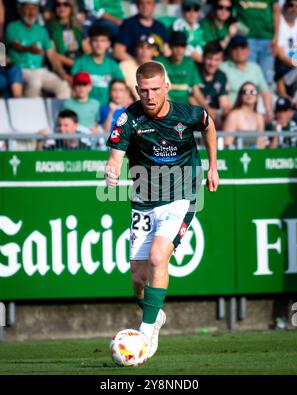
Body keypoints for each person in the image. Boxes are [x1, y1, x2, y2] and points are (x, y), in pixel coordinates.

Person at [105, 61, 219, 358]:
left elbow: (208, 124)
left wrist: (213, 166)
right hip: (144, 201)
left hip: (181, 196)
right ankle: (155, 315)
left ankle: (145, 333)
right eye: (144, 91)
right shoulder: (128, 118)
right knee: (137, 279)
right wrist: (112, 168)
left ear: (167, 87)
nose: (150, 96)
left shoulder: (187, 114)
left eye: (156, 89)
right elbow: (115, 155)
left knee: (158, 256)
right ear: (137, 90)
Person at [5, 0, 71, 98]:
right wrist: (28, 49)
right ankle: (30, 112)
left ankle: (60, 113)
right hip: (21, 69)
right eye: (27, 8)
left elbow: (51, 54)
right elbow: (15, 45)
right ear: (19, 10)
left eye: (34, 8)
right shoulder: (12, 26)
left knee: (63, 86)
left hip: (39, 70)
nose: (31, 12)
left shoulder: (41, 30)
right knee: (34, 83)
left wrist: (61, 72)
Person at [220, 35, 273, 121]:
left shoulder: (255, 68)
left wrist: (268, 111)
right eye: (235, 48)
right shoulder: (223, 68)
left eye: (242, 47)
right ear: (230, 50)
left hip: (252, 115)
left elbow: (265, 91)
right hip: (230, 115)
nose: (239, 51)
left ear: (248, 50)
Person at [71, 25, 124, 107]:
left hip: (107, 110)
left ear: (108, 43)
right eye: (96, 40)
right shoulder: (80, 63)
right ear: (90, 42)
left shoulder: (113, 65)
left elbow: (121, 87)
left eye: (103, 41)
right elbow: (73, 88)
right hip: (84, 107)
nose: (99, 44)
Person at [235, 0, 280, 89]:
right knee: (248, 76)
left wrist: (276, 36)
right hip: (247, 38)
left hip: (267, 38)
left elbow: (276, 11)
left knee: (267, 76)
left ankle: (266, 102)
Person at [157, 31, 206, 106]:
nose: (179, 50)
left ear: (186, 47)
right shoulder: (160, 63)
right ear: (170, 46)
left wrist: (207, 109)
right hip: (164, 107)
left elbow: (196, 91)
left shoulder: (190, 63)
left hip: (184, 109)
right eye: (176, 46)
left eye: (182, 46)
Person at [46, 0, 89, 77]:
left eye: (66, 4)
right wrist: (75, 64)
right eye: (58, 5)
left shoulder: (78, 26)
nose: (61, 7)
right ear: (54, 8)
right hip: (63, 66)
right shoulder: (49, 27)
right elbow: (53, 54)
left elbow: (87, 50)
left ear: (71, 7)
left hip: (80, 63)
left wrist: (83, 64)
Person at [192, 41, 231, 125]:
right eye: (209, 59)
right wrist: (207, 111)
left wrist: (225, 112)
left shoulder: (221, 76)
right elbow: (191, 99)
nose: (212, 63)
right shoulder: (194, 71)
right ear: (203, 57)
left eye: (217, 59)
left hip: (213, 118)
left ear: (221, 60)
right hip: (194, 115)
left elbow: (224, 104)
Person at [223, 82, 265, 148]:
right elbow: (227, 144)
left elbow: (261, 145)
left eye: (252, 92)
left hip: (255, 156)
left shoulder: (259, 117)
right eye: (245, 92)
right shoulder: (234, 115)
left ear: (257, 96)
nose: (249, 95)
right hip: (236, 156)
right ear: (240, 95)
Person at [119, 34, 157, 100]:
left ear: (153, 51)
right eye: (141, 47)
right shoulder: (124, 65)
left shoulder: (158, 66)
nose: (144, 51)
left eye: (148, 48)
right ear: (136, 49)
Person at [275, 0, 297, 82]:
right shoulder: (279, 22)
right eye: (291, 5)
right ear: (284, 7)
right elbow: (280, 54)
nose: (294, 9)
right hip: (283, 64)